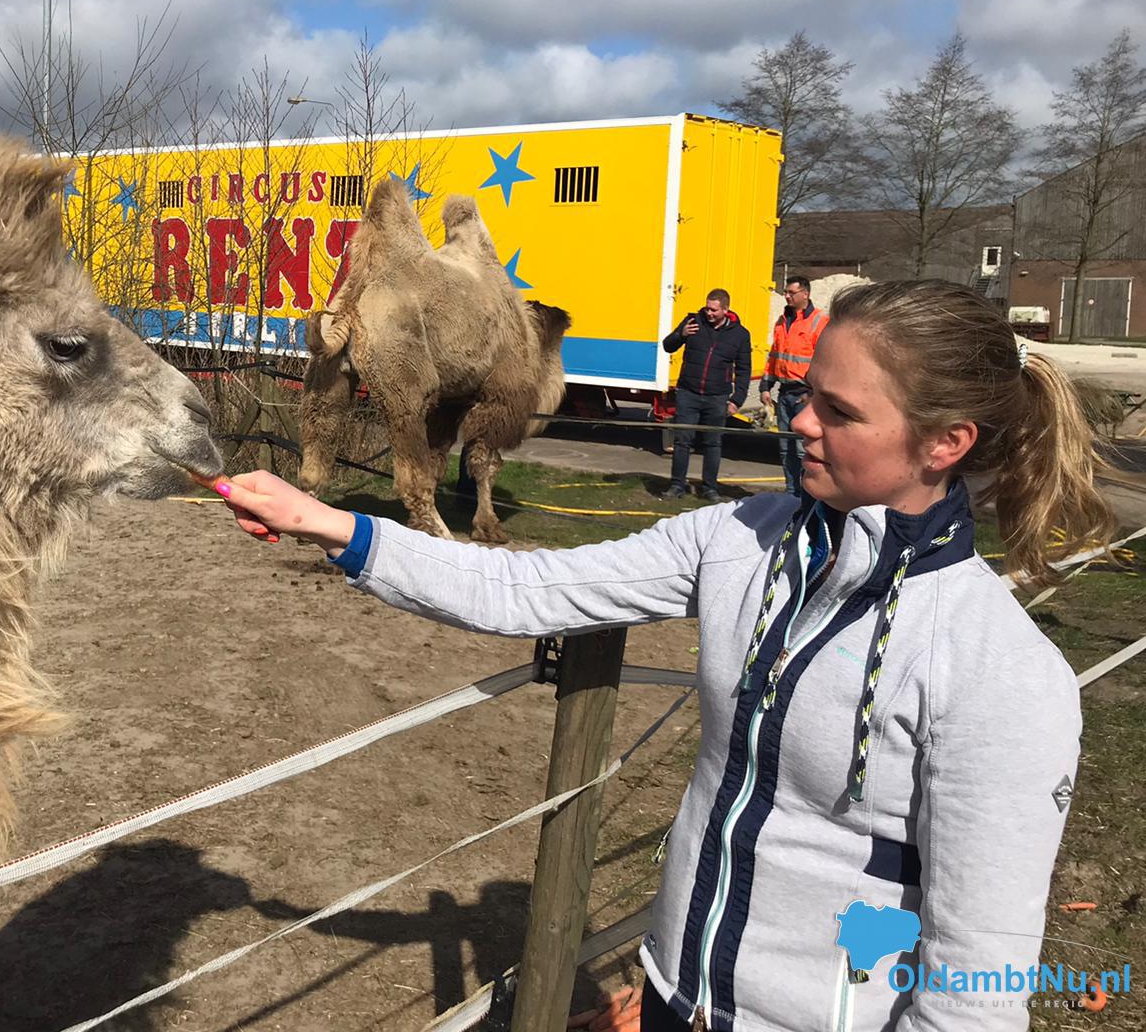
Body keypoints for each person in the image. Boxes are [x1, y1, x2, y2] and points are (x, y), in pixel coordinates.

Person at [215, 280, 1111, 1032]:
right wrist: (330, 525)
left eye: (840, 412)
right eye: (806, 394)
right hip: (677, 999)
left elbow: (975, 988)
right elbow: (529, 588)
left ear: (946, 442)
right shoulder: (743, 538)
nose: (800, 421)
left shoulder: (1001, 672)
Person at [659, 289, 752, 502]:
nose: (708, 313)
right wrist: (681, 335)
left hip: (717, 397)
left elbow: (744, 370)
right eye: (707, 308)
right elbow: (667, 346)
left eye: (714, 310)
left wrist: (737, 399)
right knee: (682, 441)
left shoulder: (740, 334)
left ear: (726, 310)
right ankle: (677, 485)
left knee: (713, 443)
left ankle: (710, 488)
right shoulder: (693, 322)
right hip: (688, 393)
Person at [761, 276, 829, 496]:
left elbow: (826, 361)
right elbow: (774, 355)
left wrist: (813, 393)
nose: (787, 296)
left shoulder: (819, 321)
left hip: (804, 396)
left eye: (791, 292)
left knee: (803, 450)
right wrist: (766, 386)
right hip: (785, 393)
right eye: (786, 292)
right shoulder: (782, 321)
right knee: (785, 449)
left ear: (805, 294)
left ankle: (806, 496)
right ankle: (791, 494)